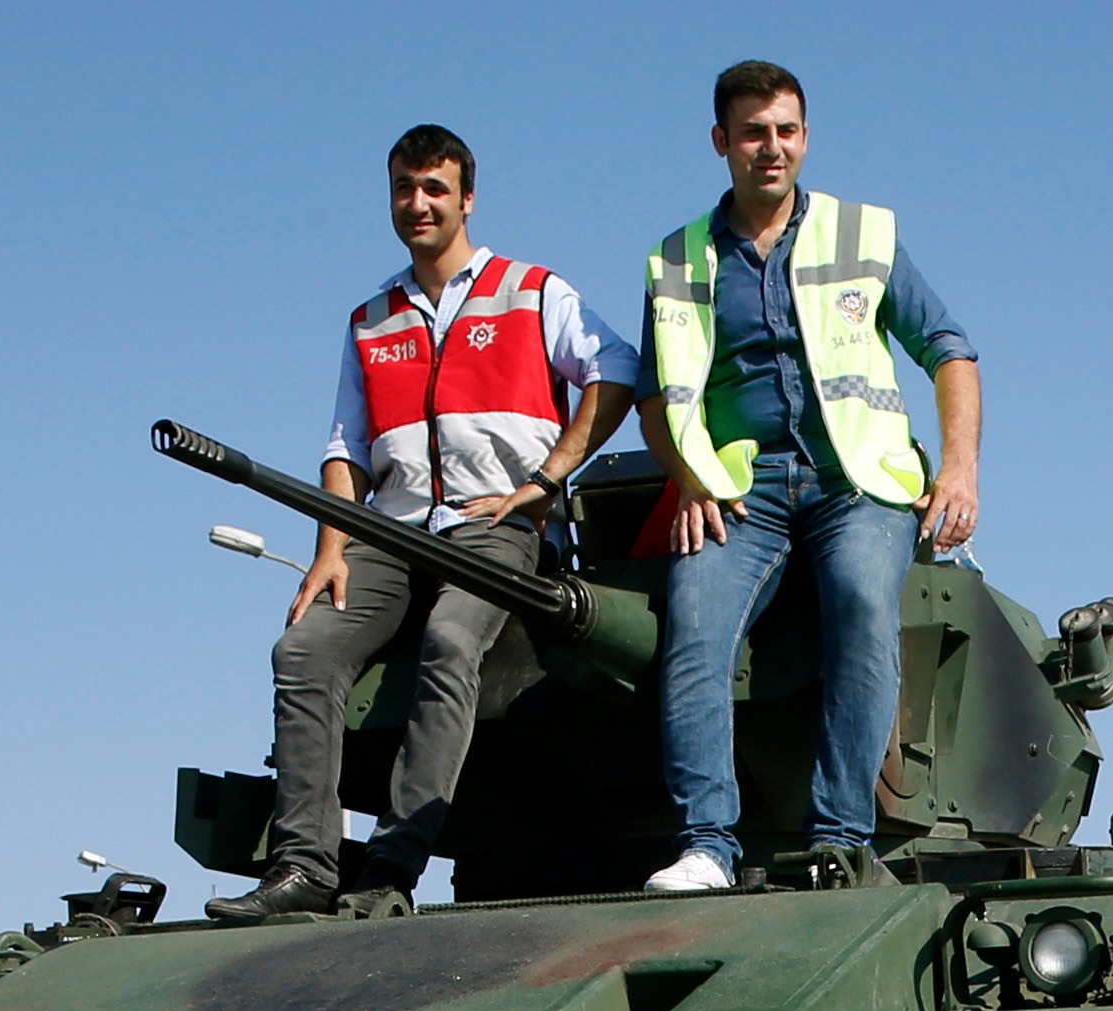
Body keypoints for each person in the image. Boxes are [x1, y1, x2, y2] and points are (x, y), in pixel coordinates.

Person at [213, 125, 636, 923]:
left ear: (466, 199)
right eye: (405, 188)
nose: (419, 203)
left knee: (450, 639)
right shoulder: (372, 318)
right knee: (302, 651)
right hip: (392, 530)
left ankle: (391, 865)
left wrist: (546, 480)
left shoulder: (530, 290)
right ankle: (303, 866)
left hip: (494, 526)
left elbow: (615, 368)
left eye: (435, 188)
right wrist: (330, 549)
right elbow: (348, 447)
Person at [638, 59, 982, 892]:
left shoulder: (862, 235)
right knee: (692, 627)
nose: (771, 147)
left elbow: (949, 349)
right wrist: (690, 478)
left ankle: (838, 838)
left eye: (786, 131)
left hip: (855, 481)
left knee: (862, 605)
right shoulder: (678, 259)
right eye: (752, 133)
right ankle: (706, 846)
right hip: (739, 489)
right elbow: (656, 395)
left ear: (805, 137)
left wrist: (959, 469)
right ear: (720, 141)